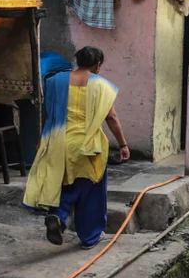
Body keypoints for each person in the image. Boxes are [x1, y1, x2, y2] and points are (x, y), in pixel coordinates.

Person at [23, 46, 129, 250]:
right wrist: (123, 144)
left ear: (77, 61)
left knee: (64, 182)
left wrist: (42, 140)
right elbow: (111, 117)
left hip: (59, 141)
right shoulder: (102, 86)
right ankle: (90, 236)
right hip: (89, 145)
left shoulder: (54, 82)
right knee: (91, 190)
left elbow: (50, 114)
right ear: (98, 65)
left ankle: (59, 215)